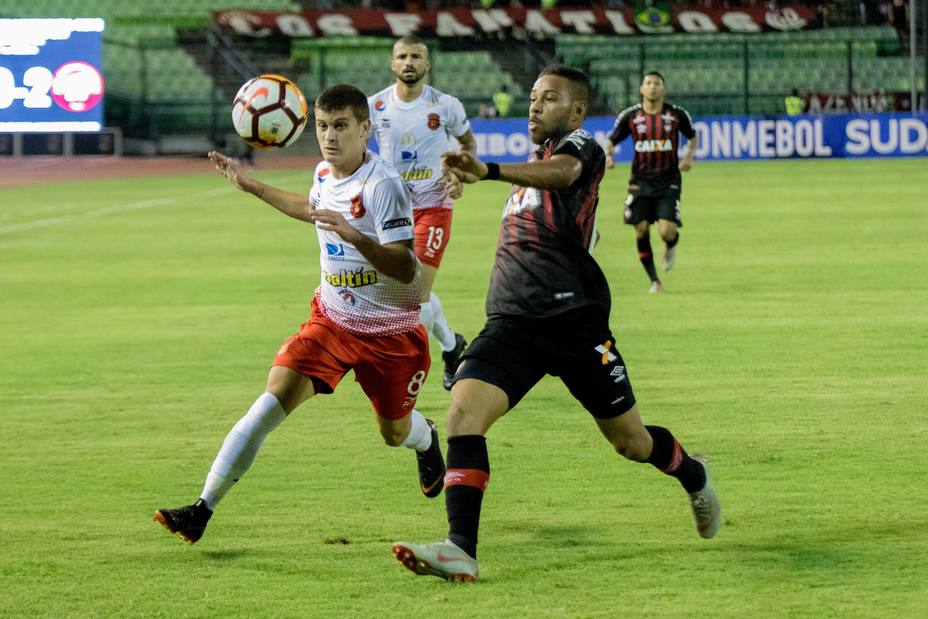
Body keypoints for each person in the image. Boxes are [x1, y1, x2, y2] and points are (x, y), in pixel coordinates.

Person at [390, 65, 721, 582]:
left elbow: (565, 174)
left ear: (577, 110)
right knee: (462, 415)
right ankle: (461, 548)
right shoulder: (532, 161)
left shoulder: (583, 148)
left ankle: (692, 472)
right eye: (533, 97)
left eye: (549, 98)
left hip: (575, 324)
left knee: (631, 442)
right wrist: (459, 180)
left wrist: (490, 171)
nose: (535, 106)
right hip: (513, 323)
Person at [153, 84, 447, 544]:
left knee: (394, 432)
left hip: (391, 334)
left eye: (341, 126)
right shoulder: (324, 173)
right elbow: (312, 210)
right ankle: (201, 509)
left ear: (365, 128)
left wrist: (356, 237)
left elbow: (406, 265)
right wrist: (252, 187)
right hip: (331, 320)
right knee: (269, 403)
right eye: (323, 127)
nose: (330, 137)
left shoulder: (383, 185)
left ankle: (425, 437)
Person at [369, 35, 477, 391]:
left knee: (413, 293)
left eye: (416, 56)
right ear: (392, 64)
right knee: (410, 291)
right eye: (402, 56)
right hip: (391, 209)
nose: (409, 62)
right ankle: (451, 345)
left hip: (434, 205)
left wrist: (458, 174)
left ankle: (410, 367)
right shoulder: (374, 107)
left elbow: (468, 146)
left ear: (427, 64)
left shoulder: (446, 106)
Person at [604, 71, 697, 294]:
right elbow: (610, 139)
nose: (652, 87)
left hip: (668, 181)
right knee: (641, 230)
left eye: (657, 83)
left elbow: (692, 137)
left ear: (663, 88)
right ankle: (655, 281)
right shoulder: (631, 116)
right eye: (648, 83)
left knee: (666, 232)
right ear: (642, 89)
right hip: (640, 182)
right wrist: (609, 155)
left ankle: (670, 245)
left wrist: (688, 157)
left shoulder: (676, 115)